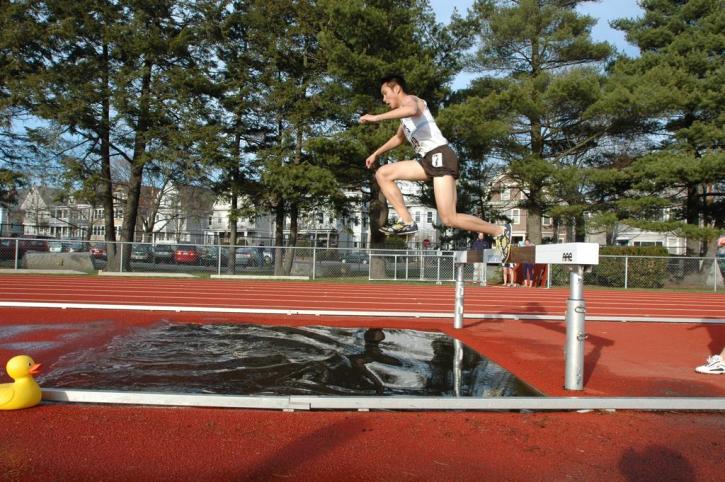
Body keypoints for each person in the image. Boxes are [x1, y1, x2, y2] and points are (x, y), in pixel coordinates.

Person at [360, 74, 512, 261]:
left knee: (449, 218)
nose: (384, 99)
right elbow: (398, 138)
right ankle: (406, 221)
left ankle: (499, 231)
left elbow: (412, 109)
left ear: (397, 89)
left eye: (385, 93)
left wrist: (375, 118)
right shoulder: (404, 120)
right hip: (427, 160)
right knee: (383, 173)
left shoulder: (411, 100)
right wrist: (376, 153)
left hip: (441, 155)